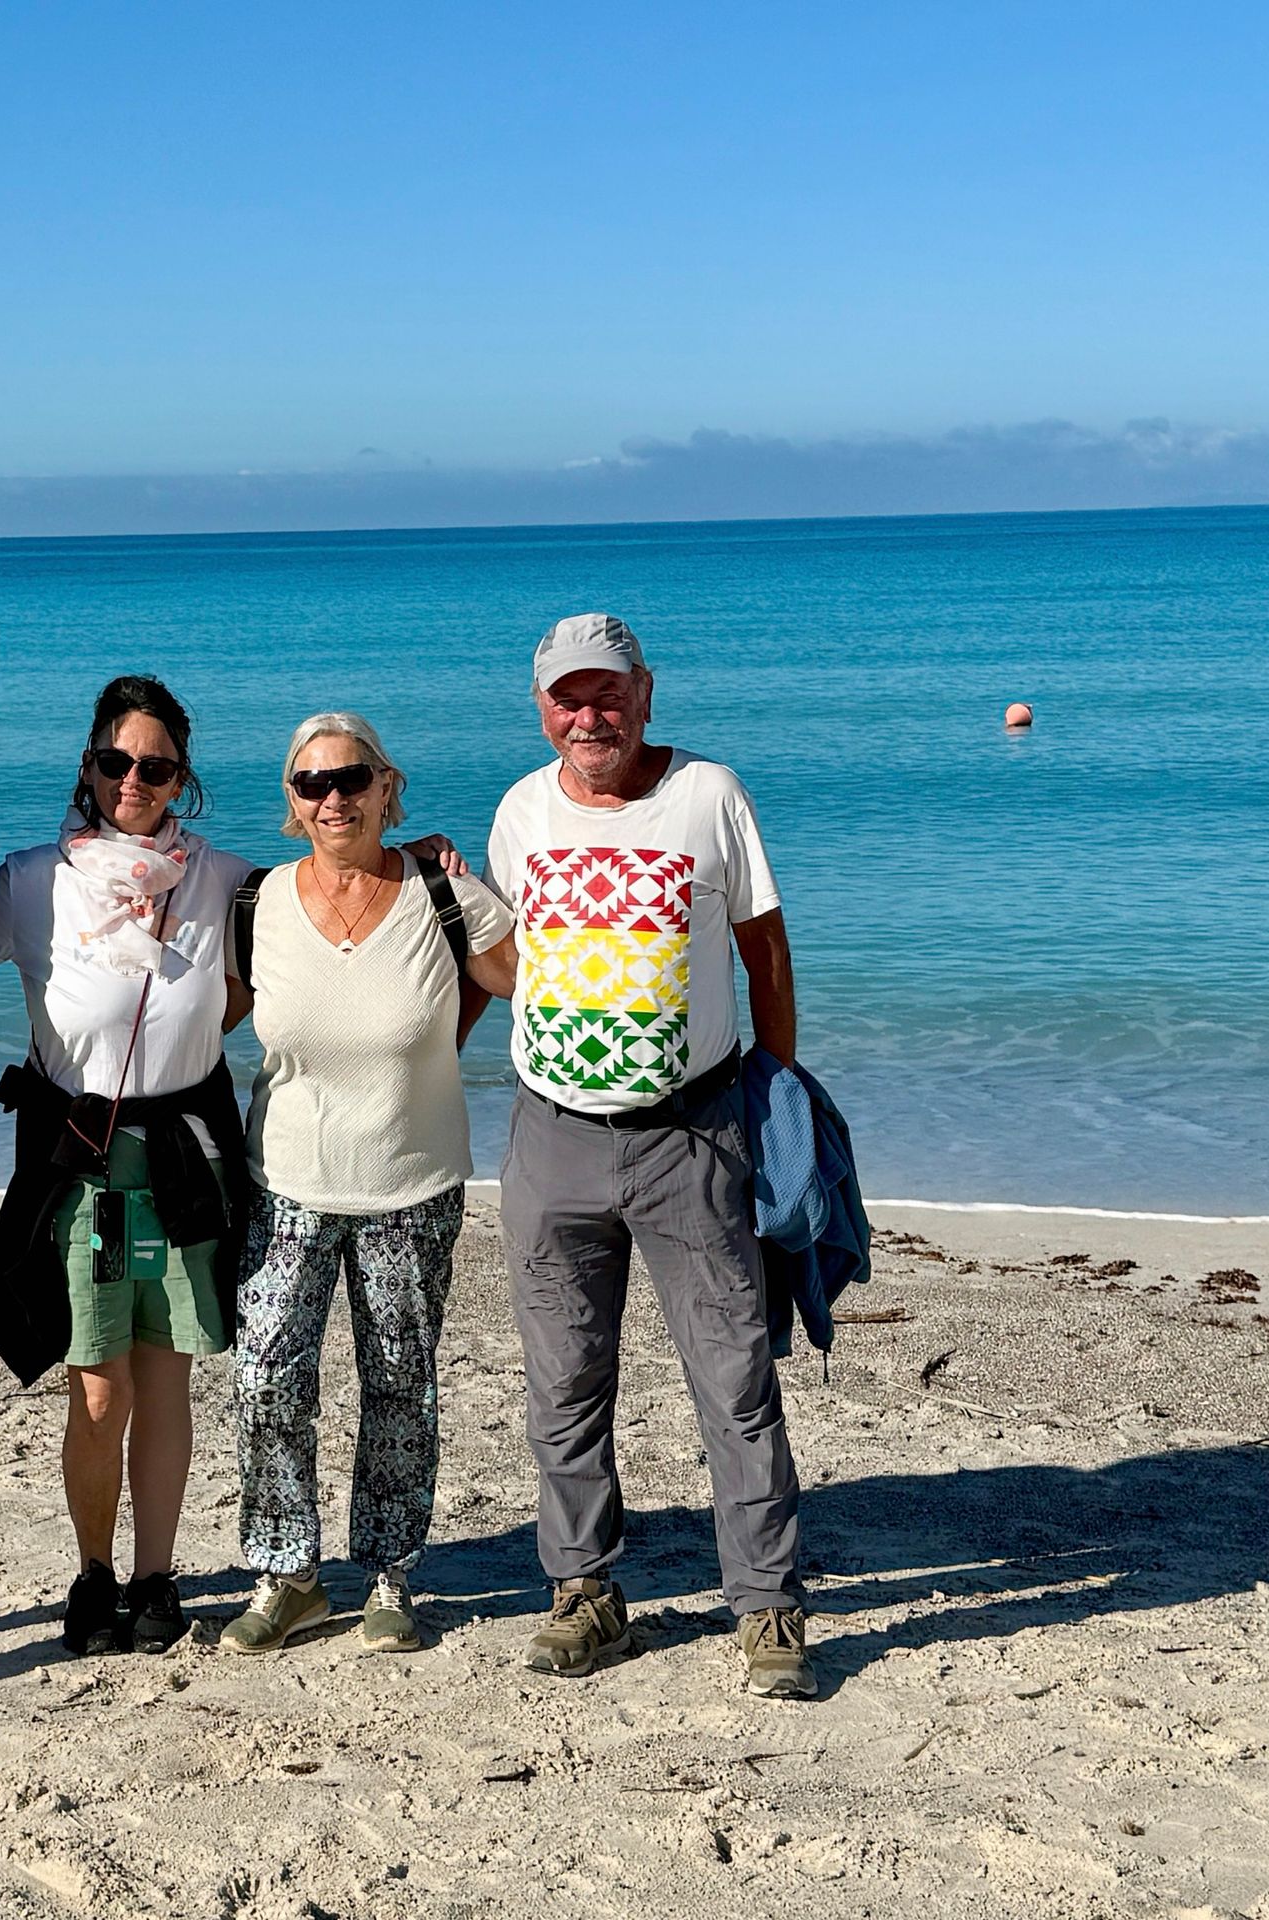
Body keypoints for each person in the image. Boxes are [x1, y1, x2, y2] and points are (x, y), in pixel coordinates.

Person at [484, 613, 815, 1699]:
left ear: (645, 693)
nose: (589, 718)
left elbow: (765, 951)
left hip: (690, 1134)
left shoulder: (707, 796)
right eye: (567, 699)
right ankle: (584, 1593)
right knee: (563, 1381)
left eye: (607, 694)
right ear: (541, 708)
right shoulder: (520, 812)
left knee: (734, 1378)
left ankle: (766, 1605)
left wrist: (775, 1093)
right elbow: (518, 963)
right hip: (552, 1137)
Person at [221, 712, 517, 1657]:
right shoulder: (256, 901)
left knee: (399, 1384)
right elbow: (205, 1013)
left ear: (388, 786)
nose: (333, 798)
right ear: (292, 800)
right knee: (267, 1378)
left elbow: (524, 977)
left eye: (352, 778)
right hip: (285, 1184)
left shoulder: (440, 891)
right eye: (312, 784)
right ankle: (288, 1577)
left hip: (411, 1185)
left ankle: (389, 1573)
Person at [0, 677, 251, 1658]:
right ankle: (93, 1574)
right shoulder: (29, 881)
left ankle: (155, 1575)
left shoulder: (224, 880)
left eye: (156, 766)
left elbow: (333, 915)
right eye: (115, 761)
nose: (134, 780)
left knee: (167, 1377)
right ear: (88, 765)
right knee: (99, 1383)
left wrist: (423, 860)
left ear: (182, 778)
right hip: (87, 1171)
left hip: (184, 1163)